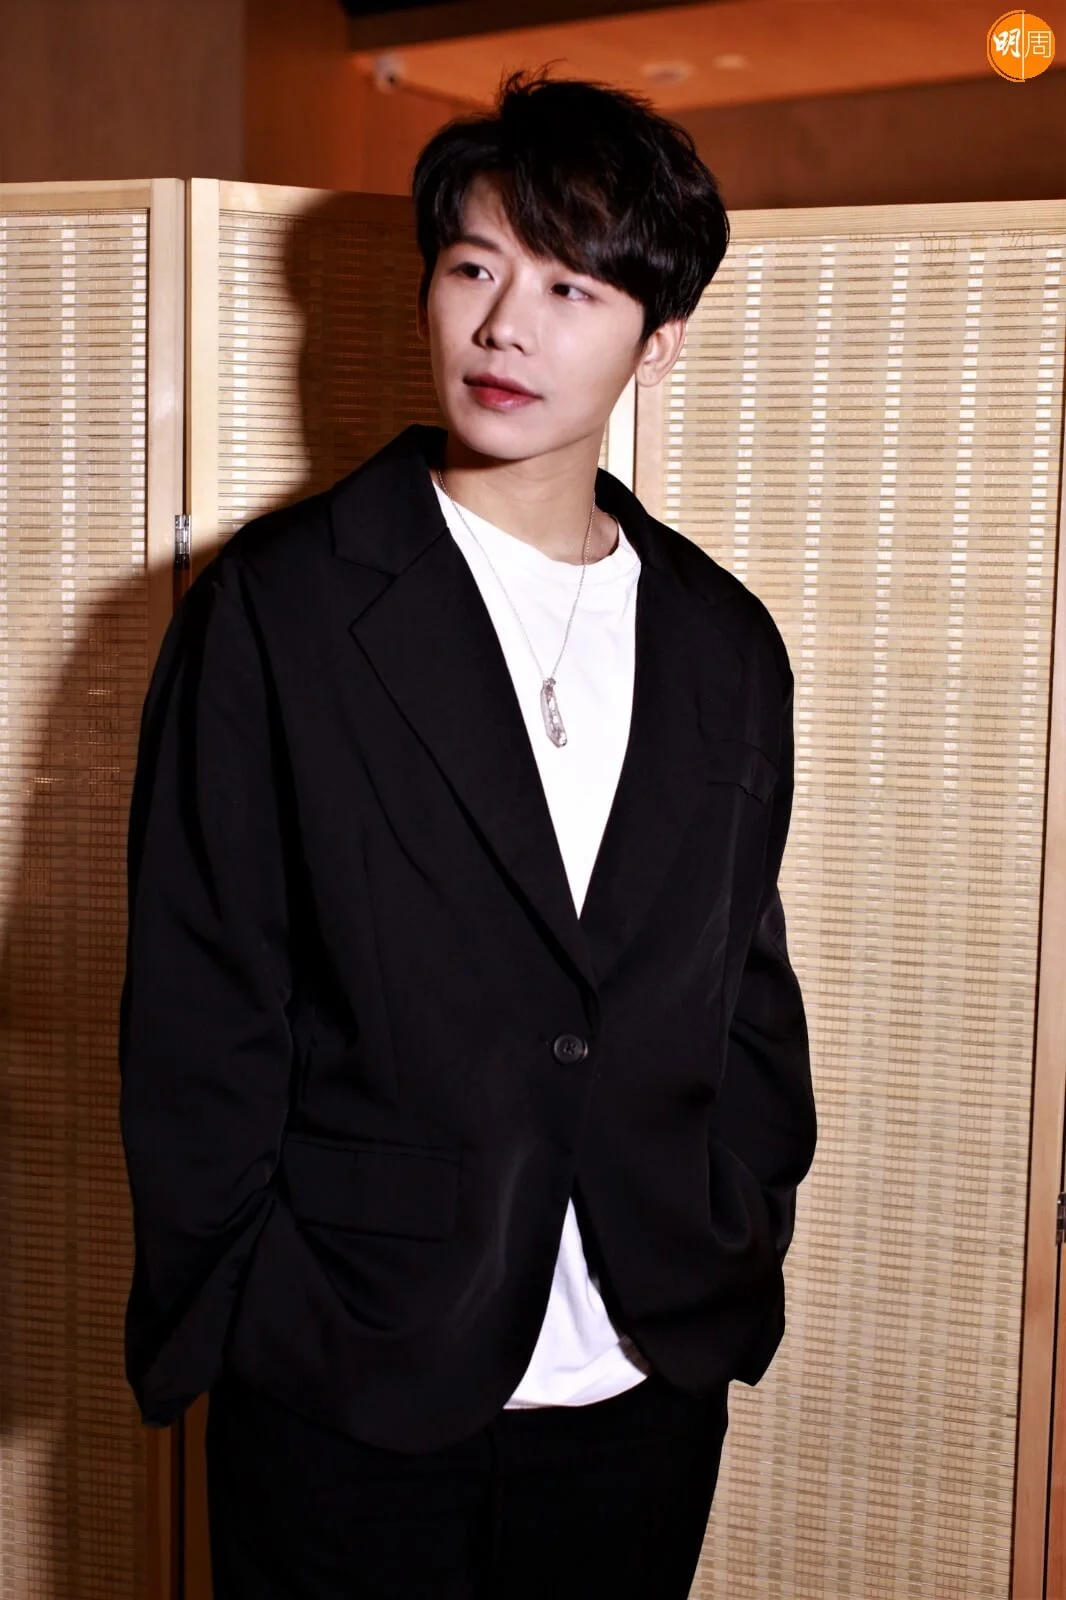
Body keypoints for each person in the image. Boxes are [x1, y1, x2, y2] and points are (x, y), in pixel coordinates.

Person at [119, 64, 816, 1600]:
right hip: (347, 1374)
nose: (506, 327)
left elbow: (741, 986)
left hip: (641, 1374)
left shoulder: (722, 643)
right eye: (473, 268)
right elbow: (198, 1002)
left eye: (571, 287)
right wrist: (248, 1308)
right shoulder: (281, 609)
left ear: (659, 337)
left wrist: (734, 1222)